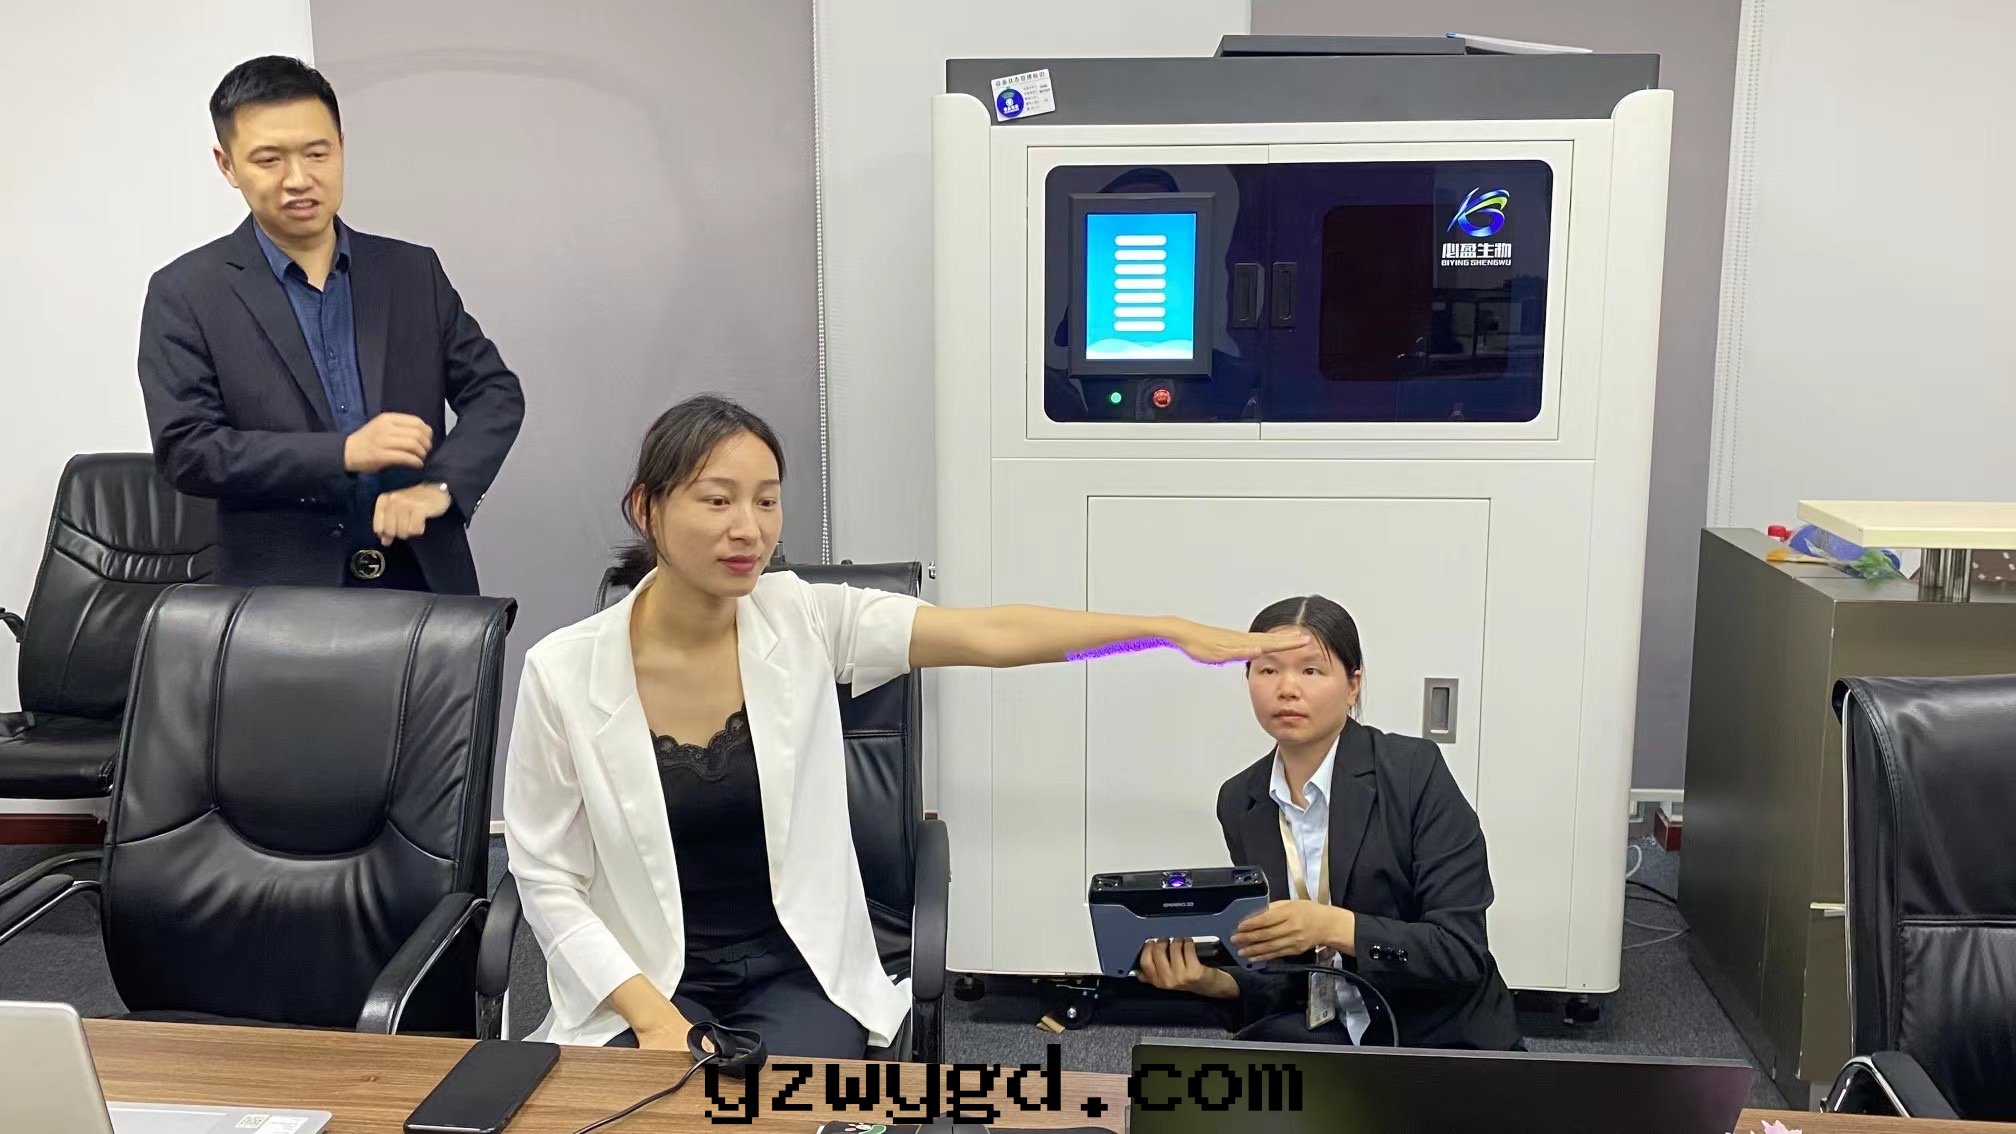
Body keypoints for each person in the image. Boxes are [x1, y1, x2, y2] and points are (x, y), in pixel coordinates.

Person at [501, 394, 1309, 1057]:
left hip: (797, 970)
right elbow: (546, 876)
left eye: (767, 500)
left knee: (793, 1114)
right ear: (646, 508)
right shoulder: (564, 672)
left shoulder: (802, 618)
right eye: (717, 501)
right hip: (641, 978)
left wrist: (1160, 630)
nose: (749, 528)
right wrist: (651, 1017)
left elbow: (992, 634)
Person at [137, 56, 523, 594]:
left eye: (317, 153)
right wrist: (341, 454)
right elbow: (188, 450)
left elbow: (495, 392)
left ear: (341, 145)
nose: (299, 180)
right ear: (227, 166)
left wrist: (442, 486)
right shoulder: (186, 292)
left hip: (425, 584)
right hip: (282, 598)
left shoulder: (411, 271)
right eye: (269, 159)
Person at [1134, 595, 1523, 1050]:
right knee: (1179, 1080)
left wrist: (1332, 927)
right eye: (1268, 670)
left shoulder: (1413, 771)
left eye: (1311, 670)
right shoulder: (1242, 800)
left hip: (1437, 1033)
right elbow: (1285, 975)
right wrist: (1211, 981)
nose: (1287, 688)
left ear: (1353, 685)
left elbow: (1459, 950)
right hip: (1328, 1030)